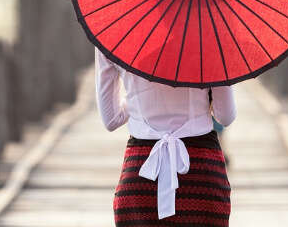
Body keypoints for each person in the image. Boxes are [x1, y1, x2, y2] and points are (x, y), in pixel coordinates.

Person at [95, 47, 236, 226]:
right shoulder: (209, 38)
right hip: (202, 175)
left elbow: (111, 119)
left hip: (141, 177)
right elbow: (225, 116)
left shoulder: (113, 36)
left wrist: (136, 98)